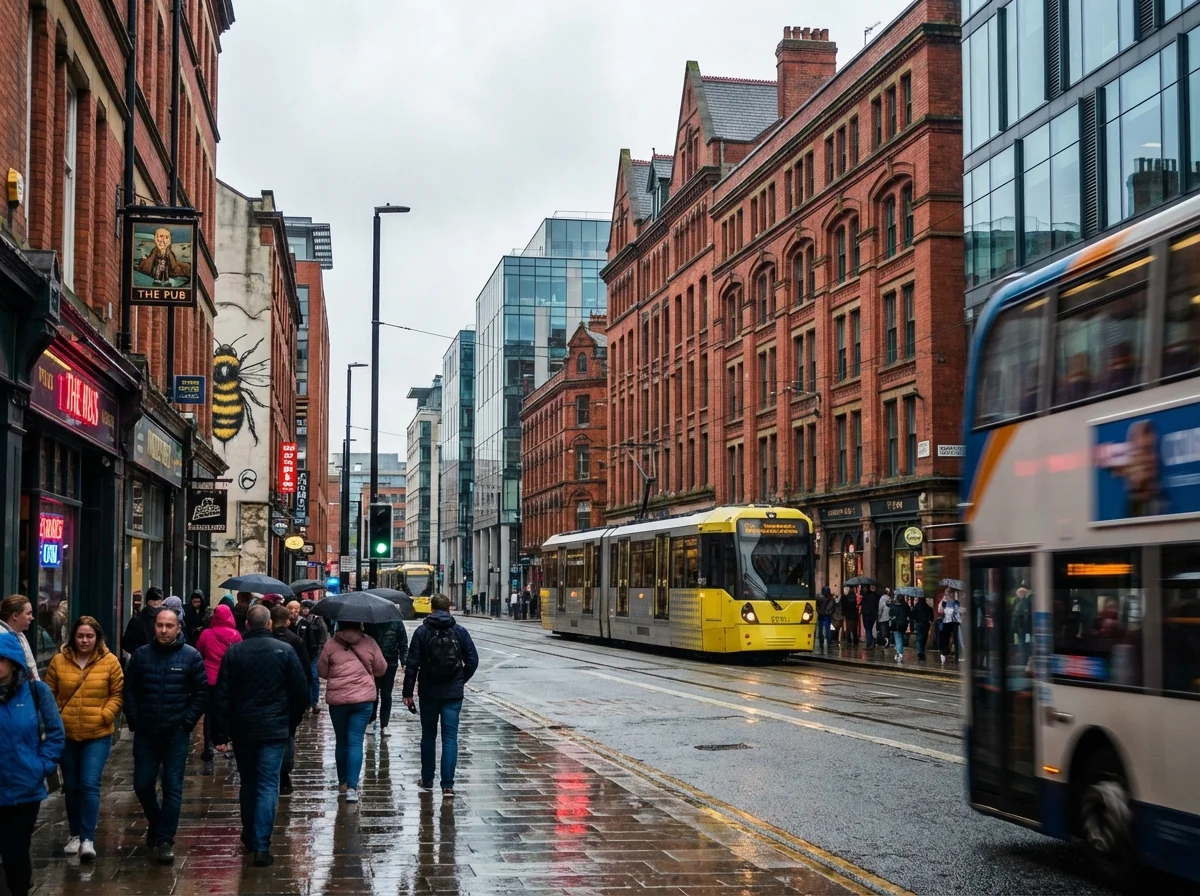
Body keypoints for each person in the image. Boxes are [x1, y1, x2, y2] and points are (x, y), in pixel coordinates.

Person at [211, 605, 308, 867]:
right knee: (268, 785)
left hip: (244, 729)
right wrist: (291, 722)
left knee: (249, 783)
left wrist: (220, 732)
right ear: (268, 625)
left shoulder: (234, 652)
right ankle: (262, 845)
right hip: (275, 729)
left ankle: (249, 832)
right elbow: (302, 693)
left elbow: (222, 695)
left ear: (247, 625)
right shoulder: (285, 651)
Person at [123, 607, 207, 863]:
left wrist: (187, 723)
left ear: (178, 628)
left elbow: (201, 693)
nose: (163, 630)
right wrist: (135, 721)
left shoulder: (190, 656)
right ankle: (157, 822)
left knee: (173, 787)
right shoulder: (141, 656)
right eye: (160, 625)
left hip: (175, 733)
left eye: (169, 626)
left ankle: (165, 839)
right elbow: (129, 690)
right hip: (147, 732)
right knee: (142, 784)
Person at [43, 617, 123, 861]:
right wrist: (56, 718)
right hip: (67, 735)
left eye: (89, 636)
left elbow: (117, 694)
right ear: (73, 638)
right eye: (80, 636)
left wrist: (106, 714)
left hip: (97, 734)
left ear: (97, 637)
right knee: (72, 786)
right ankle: (75, 833)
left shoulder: (110, 662)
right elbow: (49, 693)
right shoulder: (59, 661)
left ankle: (87, 838)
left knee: (89, 784)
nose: (85, 641)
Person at [0, 632, 64, 896]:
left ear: (13, 662)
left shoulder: (37, 692)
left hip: (23, 788)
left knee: (15, 851)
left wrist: (41, 766)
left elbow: (55, 733)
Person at [403, 594, 480, 799]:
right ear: (449, 609)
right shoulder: (460, 631)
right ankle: (447, 785)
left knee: (428, 736)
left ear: (431, 609)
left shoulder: (422, 631)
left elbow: (412, 664)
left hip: (428, 691)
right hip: (452, 693)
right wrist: (460, 679)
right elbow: (472, 660)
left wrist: (407, 693)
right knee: (450, 738)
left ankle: (427, 780)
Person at [318, 620, 385, 803]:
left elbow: (322, 672)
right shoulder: (369, 642)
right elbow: (381, 669)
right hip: (363, 700)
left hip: (338, 701)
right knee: (356, 741)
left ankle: (342, 783)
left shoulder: (331, 644)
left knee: (342, 741)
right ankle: (352, 788)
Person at [195, 603, 241, 773]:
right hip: (229, 679)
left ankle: (208, 747)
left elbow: (199, 650)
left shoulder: (207, 634)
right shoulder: (236, 635)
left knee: (209, 713)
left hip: (210, 678)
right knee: (228, 711)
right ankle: (227, 743)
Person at [270, 605, 310, 796]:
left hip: (268, 698)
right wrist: (304, 702)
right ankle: (284, 775)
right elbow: (304, 674)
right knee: (288, 736)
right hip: (289, 700)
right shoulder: (295, 641)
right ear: (288, 621)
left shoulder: (264, 639)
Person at [366, 617, 409, 736]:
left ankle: (384, 725)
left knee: (386, 694)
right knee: (372, 693)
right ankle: (371, 720)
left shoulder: (396, 622)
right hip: (373, 662)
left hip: (390, 662)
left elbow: (403, 642)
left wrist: (404, 661)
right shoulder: (370, 621)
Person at [291, 600, 328, 712]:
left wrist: (320, 651)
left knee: (314, 677)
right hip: (303, 653)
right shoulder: (298, 621)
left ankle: (314, 702)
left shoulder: (317, 620)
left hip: (314, 653)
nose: (305, 609)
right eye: (304, 607)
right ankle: (306, 701)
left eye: (308, 607)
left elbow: (323, 636)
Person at [0, 595, 39, 682]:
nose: (31, 618)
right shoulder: (3, 638)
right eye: (28, 613)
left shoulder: (19, 634)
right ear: (15, 616)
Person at [121, 586, 164, 657]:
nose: (156, 605)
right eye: (153, 602)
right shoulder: (137, 620)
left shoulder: (164, 619)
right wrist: (142, 653)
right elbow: (127, 643)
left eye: (158, 602)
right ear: (148, 602)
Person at [938, 590, 963, 665]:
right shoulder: (944, 602)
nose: (947, 595)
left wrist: (959, 621)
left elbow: (957, 612)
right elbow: (940, 611)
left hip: (954, 622)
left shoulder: (955, 602)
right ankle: (944, 653)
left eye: (949, 593)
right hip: (946, 622)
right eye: (946, 593)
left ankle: (956, 654)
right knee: (945, 638)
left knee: (956, 639)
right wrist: (943, 605)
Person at [912, 594, 934, 661]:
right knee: (924, 637)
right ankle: (922, 650)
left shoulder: (916, 607)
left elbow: (912, 616)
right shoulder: (928, 608)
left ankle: (920, 651)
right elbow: (932, 618)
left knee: (919, 637)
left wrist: (914, 622)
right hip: (926, 624)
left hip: (918, 623)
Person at [890, 594, 910, 663]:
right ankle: (899, 651)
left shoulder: (895, 606)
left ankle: (899, 652)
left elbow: (891, 613)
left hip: (897, 623)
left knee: (898, 637)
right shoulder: (906, 606)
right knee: (900, 636)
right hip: (904, 624)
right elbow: (909, 614)